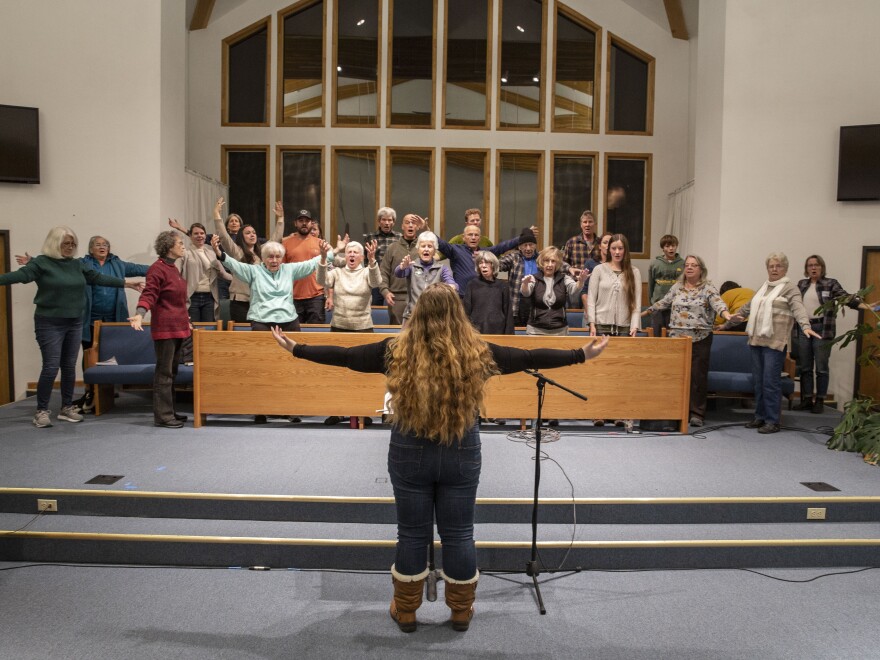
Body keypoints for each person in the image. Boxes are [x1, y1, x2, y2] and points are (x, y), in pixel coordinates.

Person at [270, 284, 609, 633]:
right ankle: (460, 611)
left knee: (412, 535)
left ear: (417, 314)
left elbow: (345, 356)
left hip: (409, 451)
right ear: (457, 314)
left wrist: (298, 349)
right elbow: (528, 357)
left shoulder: (395, 350)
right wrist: (580, 354)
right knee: (460, 533)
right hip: (461, 450)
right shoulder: (478, 351)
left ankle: (406, 611)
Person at [1, 227, 131, 428]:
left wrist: (126, 284)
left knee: (69, 367)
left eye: (73, 244)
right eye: (66, 244)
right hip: (49, 322)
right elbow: (20, 276)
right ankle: (41, 411)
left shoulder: (76, 265)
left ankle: (66, 407)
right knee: (51, 366)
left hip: (74, 321)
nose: (70, 247)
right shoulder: (41, 263)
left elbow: (97, 278)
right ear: (55, 243)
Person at [726, 252, 821, 434]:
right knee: (759, 381)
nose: (774, 269)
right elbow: (746, 309)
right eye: (771, 266)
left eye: (778, 266)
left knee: (770, 382)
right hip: (756, 340)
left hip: (775, 343)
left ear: (785, 268)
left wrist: (805, 326)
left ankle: (772, 420)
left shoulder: (790, 288)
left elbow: (798, 308)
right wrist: (727, 324)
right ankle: (760, 416)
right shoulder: (763, 287)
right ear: (767, 268)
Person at [644, 255, 732, 427]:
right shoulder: (677, 287)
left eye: (694, 265)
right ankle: (676, 411)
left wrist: (727, 315)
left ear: (701, 269)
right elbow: (664, 302)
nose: (689, 268)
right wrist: (644, 313)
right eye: (687, 265)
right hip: (677, 339)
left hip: (700, 338)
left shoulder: (708, 288)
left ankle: (696, 413)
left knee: (697, 377)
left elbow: (718, 304)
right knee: (676, 377)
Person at [128, 231, 192, 429]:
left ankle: (169, 411)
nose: (183, 246)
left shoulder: (173, 268)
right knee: (164, 373)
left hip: (179, 328)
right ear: (169, 246)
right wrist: (140, 313)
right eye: (180, 243)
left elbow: (177, 301)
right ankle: (163, 416)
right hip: (165, 329)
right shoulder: (157, 269)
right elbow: (149, 294)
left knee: (171, 372)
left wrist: (186, 320)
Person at [795, 255, 866, 413]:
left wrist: (863, 305)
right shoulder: (801, 284)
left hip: (822, 329)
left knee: (821, 367)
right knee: (805, 368)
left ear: (822, 267)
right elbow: (793, 303)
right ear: (806, 269)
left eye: (816, 265)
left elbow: (844, 297)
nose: (813, 268)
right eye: (810, 265)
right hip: (804, 328)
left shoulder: (830, 283)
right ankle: (806, 399)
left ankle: (819, 400)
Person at [587, 234, 642, 430]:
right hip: (601, 326)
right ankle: (599, 411)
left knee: (621, 374)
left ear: (625, 250)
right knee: (601, 372)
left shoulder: (633, 272)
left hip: (625, 328)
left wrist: (635, 325)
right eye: (614, 248)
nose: (617, 252)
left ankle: (620, 412)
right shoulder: (599, 270)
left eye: (621, 249)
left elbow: (636, 303)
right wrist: (592, 323)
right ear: (608, 250)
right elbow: (591, 298)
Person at [212, 197, 285, 323]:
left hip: (260, 300)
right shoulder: (236, 251)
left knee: (257, 335)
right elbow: (223, 236)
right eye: (248, 233)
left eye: (254, 233)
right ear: (241, 236)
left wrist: (280, 218)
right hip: (239, 302)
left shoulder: (262, 252)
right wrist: (216, 214)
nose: (252, 235)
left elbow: (276, 239)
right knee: (242, 336)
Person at [438, 224, 529, 296]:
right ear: (463, 237)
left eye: (476, 235)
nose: (473, 237)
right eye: (470, 235)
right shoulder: (455, 250)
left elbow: (503, 246)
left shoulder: (485, 252)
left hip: (482, 297)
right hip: (462, 297)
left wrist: (524, 236)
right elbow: (441, 243)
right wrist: (426, 229)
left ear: (479, 238)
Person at [521, 247, 589, 336]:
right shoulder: (534, 278)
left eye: (553, 261)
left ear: (557, 263)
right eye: (546, 261)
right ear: (542, 262)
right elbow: (526, 293)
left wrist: (581, 282)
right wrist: (525, 284)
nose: (550, 264)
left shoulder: (564, 278)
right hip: (535, 330)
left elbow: (574, 290)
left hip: (560, 330)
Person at [170, 221, 230, 322]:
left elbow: (223, 274)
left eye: (202, 233)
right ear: (190, 236)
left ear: (205, 236)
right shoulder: (185, 253)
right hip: (192, 298)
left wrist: (240, 281)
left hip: (209, 298)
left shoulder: (212, 253)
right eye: (196, 233)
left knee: (208, 330)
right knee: (193, 330)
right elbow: (176, 274)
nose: (199, 236)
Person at [317, 240, 381, 332]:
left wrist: (372, 261)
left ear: (362, 258)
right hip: (338, 327)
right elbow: (321, 280)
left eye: (355, 252)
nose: (352, 255)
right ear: (345, 256)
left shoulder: (367, 272)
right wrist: (323, 258)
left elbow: (376, 283)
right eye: (349, 252)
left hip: (364, 327)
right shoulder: (337, 272)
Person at [395, 231, 457, 323]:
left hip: (434, 317)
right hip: (412, 316)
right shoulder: (411, 265)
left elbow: (451, 283)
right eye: (423, 246)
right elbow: (398, 273)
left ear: (435, 250)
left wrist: (452, 286)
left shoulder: (442, 268)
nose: (426, 249)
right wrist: (402, 267)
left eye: (430, 246)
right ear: (418, 249)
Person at [282, 209, 332, 323]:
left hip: (316, 297)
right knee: (294, 336)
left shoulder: (321, 243)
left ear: (311, 223)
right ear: (295, 223)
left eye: (307, 221)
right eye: (301, 220)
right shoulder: (286, 243)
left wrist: (329, 296)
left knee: (316, 336)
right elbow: (282, 272)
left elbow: (328, 272)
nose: (304, 223)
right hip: (292, 297)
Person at [380, 213, 422, 324]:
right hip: (396, 298)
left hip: (418, 297)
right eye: (407, 223)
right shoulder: (392, 248)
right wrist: (385, 291)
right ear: (402, 226)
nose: (411, 225)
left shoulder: (423, 248)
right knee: (396, 336)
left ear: (418, 227)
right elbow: (383, 272)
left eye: (413, 223)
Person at [497, 228, 541, 327]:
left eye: (531, 245)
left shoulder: (541, 258)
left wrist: (570, 269)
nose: (528, 248)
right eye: (525, 245)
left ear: (535, 245)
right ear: (520, 247)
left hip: (537, 306)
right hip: (517, 305)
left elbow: (559, 263)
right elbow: (497, 265)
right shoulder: (514, 258)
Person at [464, 251, 514, 335]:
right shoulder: (472, 284)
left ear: (493, 265)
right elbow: (466, 312)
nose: (483, 266)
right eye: (480, 263)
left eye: (487, 263)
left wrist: (509, 336)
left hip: (498, 331)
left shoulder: (503, 286)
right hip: (476, 332)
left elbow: (508, 313)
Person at [648, 234, 684, 337]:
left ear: (676, 246)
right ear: (663, 248)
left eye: (673, 245)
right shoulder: (655, 264)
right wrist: (652, 303)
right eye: (667, 246)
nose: (671, 248)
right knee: (656, 334)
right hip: (658, 305)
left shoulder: (683, 264)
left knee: (673, 334)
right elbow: (651, 285)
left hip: (675, 306)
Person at [364, 207, 402, 305]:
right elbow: (365, 260)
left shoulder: (399, 237)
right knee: (376, 304)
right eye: (384, 219)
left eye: (390, 220)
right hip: (376, 277)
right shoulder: (370, 237)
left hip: (394, 278)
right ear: (379, 221)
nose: (387, 223)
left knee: (394, 305)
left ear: (393, 222)